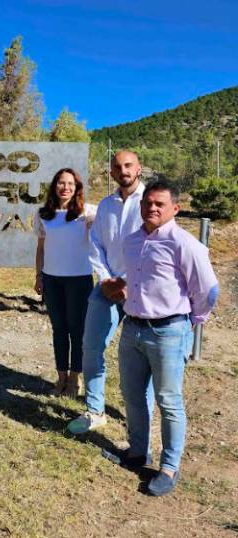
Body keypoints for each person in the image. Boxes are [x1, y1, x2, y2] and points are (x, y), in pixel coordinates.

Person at [111, 179, 218, 496]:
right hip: (132, 329)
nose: (152, 208)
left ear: (175, 208)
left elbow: (208, 290)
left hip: (168, 332)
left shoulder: (185, 244)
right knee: (132, 396)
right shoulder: (131, 240)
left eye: (160, 203)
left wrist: (193, 320)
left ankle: (169, 468)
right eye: (148, 203)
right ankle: (137, 453)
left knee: (169, 402)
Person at [67, 150, 154, 435]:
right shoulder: (106, 205)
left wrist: (127, 281)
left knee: (144, 358)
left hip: (143, 290)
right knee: (91, 347)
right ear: (112, 173)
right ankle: (95, 410)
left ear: (138, 168)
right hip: (106, 288)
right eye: (118, 167)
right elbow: (95, 245)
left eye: (129, 165)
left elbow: (154, 246)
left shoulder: (151, 203)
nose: (124, 170)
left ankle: (142, 417)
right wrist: (106, 280)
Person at [33, 168, 96, 397]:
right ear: (54, 186)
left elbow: (111, 224)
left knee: (77, 331)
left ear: (77, 188)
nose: (65, 187)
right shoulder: (43, 214)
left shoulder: (87, 213)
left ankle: (74, 380)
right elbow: (40, 249)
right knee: (58, 329)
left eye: (70, 184)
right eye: (61, 183)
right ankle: (60, 378)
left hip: (79, 280)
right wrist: (39, 275)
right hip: (52, 280)